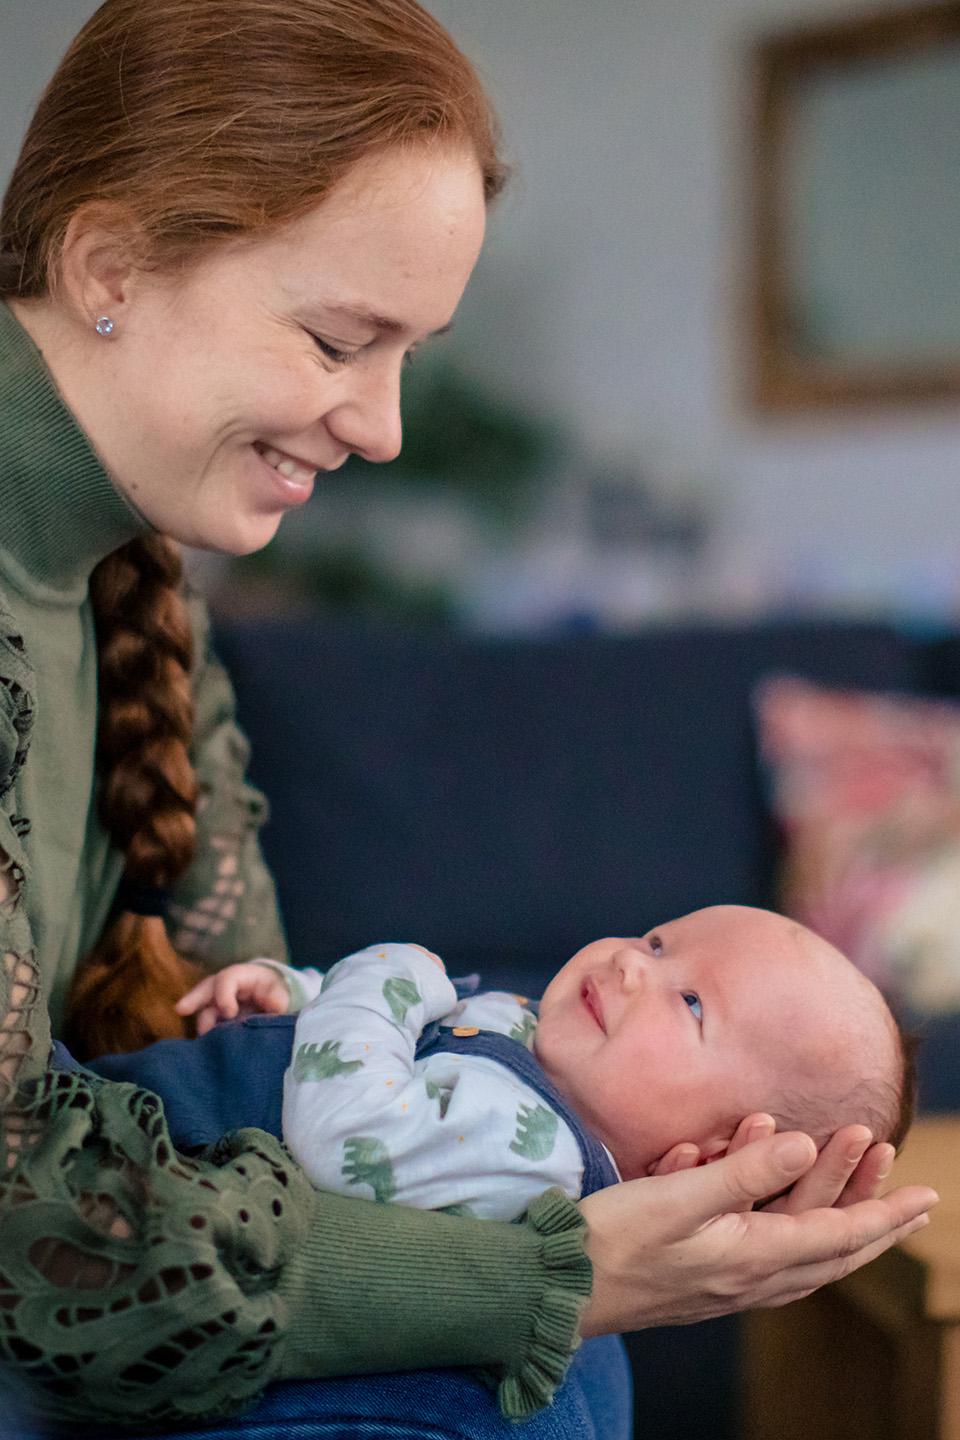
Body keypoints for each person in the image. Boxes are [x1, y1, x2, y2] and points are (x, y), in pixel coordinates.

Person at [0, 0, 936, 1434]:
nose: (379, 428)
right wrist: (547, 1275)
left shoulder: (147, 591)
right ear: (108, 262)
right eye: (335, 339)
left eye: (407, 356)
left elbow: (261, 1050)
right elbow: (35, 1227)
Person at [94, 905, 910, 1222]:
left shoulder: (530, 1155)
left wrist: (386, 966)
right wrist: (293, 991)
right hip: (122, 1116)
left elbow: (345, 1138)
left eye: (691, 1003)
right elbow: (407, 1035)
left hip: (126, 1171)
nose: (632, 963)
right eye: (659, 941)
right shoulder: (535, 1047)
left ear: (730, 1148)